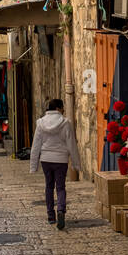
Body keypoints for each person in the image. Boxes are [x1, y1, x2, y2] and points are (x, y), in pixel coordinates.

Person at [29, 98, 81, 230]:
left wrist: (33, 166)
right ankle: (61, 210)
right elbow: (71, 144)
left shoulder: (41, 123)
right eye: (62, 107)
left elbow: (36, 145)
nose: (63, 110)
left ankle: (51, 216)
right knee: (60, 187)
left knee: (49, 186)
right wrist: (76, 164)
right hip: (61, 160)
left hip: (46, 159)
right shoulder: (65, 123)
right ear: (58, 108)